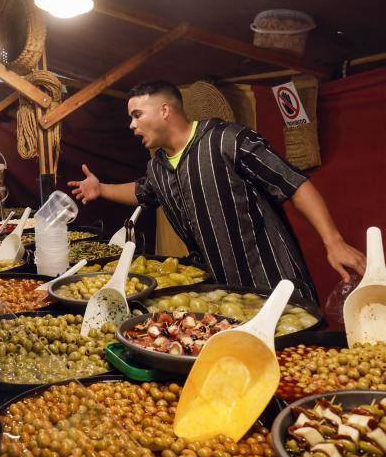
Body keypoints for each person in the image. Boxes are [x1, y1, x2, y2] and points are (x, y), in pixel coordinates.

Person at [68, 80, 366, 304]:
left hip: (274, 283)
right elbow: (143, 192)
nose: (131, 125)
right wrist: (101, 188)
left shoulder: (228, 140)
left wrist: (334, 241)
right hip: (221, 294)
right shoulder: (158, 166)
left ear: (164, 110)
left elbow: (294, 184)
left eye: (136, 115)